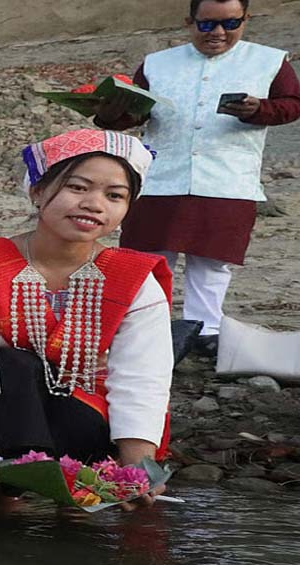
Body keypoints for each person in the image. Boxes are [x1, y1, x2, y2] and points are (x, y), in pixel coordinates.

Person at [0, 129, 172, 497]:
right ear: (37, 191)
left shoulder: (135, 280)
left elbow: (142, 376)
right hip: (1, 424)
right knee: (12, 362)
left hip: (88, 424)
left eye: (114, 196)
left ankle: (79, 494)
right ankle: (8, 496)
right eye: (78, 187)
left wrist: (137, 470)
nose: (94, 204)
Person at [95, 0, 300, 356]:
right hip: (160, 175)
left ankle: (206, 331)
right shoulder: (158, 64)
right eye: (207, 25)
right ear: (190, 22)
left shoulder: (269, 61)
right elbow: (133, 112)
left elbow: (293, 104)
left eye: (230, 23)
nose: (218, 33)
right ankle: (143, 326)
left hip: (228, 177)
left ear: (246, 19)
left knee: (212, 260)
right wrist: (108, 113)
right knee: (147, 255)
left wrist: (259, 110)